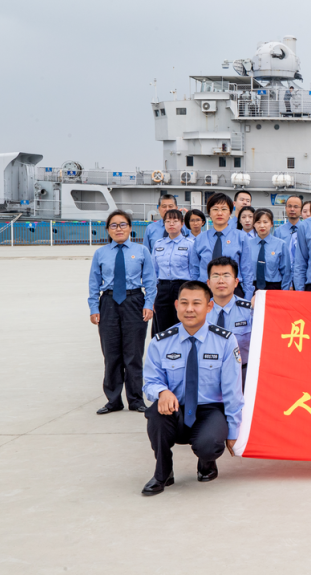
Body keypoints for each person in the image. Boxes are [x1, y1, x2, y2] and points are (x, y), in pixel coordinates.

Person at [141, 281, 243, 496]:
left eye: (196, 303)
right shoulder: (161, 342)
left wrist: (234, 431)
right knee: (156, 414)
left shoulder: (225, 341)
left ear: (209, 306)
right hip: (175, 409)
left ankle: (207, 462)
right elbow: (150, 381)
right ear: (176, 305)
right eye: (184, 303)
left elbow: (232, 391)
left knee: (209, 445)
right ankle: (163, 472)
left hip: (210, 410)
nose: (189, 309)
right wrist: (162, 392)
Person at [88, 209, 157, 415]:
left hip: (134, 301)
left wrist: (148, 304)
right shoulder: (101, 253)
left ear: (130, 227)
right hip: (108, 302)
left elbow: (150, 281)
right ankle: (113, 400)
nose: (118, 229)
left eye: (123, 224)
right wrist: (94, 307)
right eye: (114, 225)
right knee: (111, 354)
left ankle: (135, 400)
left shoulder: (141, 251)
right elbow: (94, 283)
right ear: (108, 230)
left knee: (133, 354)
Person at [188, 193, 256, 303]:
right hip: (205, 291)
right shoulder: (200, 239)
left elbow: (247, 269)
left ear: (230, 212)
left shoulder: (241, 237)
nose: (219, 213)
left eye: (224, 209)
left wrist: (247, 297)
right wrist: (194, 292)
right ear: (209, 213)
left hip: (233, 290)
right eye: (215, 209)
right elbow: (194, 270)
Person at [206, 257, 253, 386]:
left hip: (243, 374)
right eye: (216, 276)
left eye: (226, 275)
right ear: (208, 283)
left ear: (236, 282)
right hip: (208, 376)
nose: (221, 280)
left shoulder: (249, 311)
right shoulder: (200, 311)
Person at [151, 208, 193, 333]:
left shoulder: (190, 244)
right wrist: (152, 296)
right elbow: (154, 272)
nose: (171, 224)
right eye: (168, 221)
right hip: (162, 288)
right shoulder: (158, 244)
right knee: (162, 326)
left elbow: (193, 270)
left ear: (182, 223)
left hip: (182, 287)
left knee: (181, 324)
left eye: (175, 221)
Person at [249, 209, 293, 292]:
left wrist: (285, 291)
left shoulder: (281, 244)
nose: (262, 225)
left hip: (274, 287)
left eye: (265, 222)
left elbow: (286, 272)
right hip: (252, 287)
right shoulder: (248, 244)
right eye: (258, 222)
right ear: (254, 224)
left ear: (271, 224)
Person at [273, 195, 304, 275]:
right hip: (283, 273)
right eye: (289, 206)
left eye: (296, 207)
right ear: (286, 208)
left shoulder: (306, 229)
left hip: (302, 273)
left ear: (301, 210)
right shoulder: (278, 231)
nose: (292, 209)